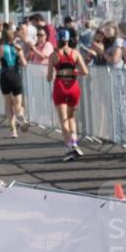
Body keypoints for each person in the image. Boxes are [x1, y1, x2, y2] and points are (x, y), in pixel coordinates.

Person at [47, 28, 89, 161]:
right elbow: (85, 72)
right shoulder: (75, 53)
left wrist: (57, 73)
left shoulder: (54, 56)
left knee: (63, 119)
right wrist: (74, 72)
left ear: (58, 40)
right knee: (71, 117)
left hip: (60, 86)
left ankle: (69, 147)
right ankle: (75, 142)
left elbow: (49, 77)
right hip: (73, 86)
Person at [0, 29, 28, 138]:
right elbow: (24, 63)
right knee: (18, 103)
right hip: (15, 75)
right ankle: (20, 114)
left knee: (8, 104)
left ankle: (13, 131)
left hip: (5, 75)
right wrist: (19, 60)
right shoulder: (18, 48)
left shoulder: (0, 48)